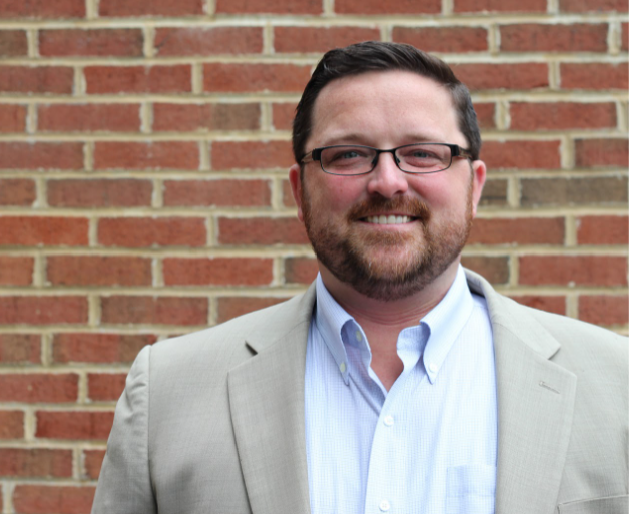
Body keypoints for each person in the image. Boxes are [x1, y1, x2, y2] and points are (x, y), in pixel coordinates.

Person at [91, 41, 628, 514]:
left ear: (474, 186)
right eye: (349, 154)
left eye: (422, 153)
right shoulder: (168, 394)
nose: (388, 181)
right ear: (300, 193)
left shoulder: (619, 386)